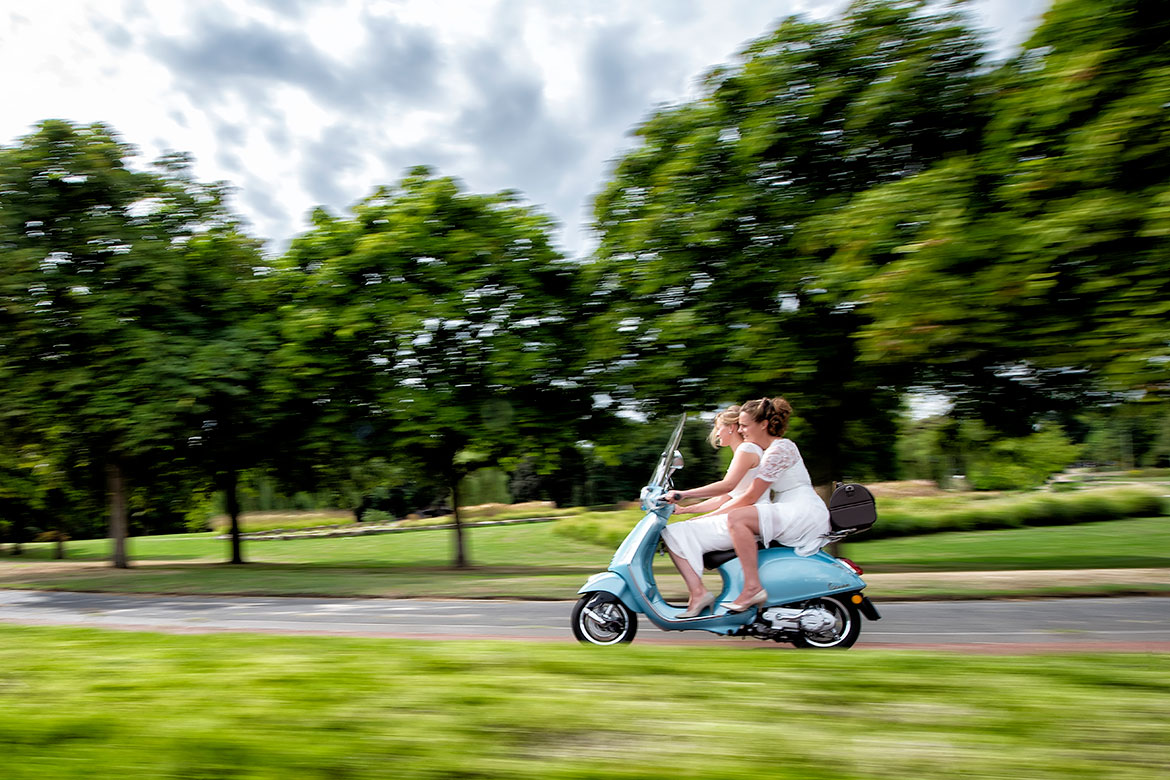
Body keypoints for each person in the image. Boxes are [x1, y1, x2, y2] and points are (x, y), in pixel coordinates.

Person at [716, 397, 830, 612]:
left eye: (744, 425)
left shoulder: (779, 450)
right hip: (789, 505)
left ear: (763, 425)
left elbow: (750, 497)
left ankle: (752, 587)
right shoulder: (768, 451)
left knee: (736, 519)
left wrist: (712, 515)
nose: (741, 430)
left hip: (801, 510)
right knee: (739, 518)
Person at [659, 405, 765, 618]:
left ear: (732, 427)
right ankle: (697, 592)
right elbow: (725, 497)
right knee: (681, 529)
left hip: (745, 519)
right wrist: (686, 511)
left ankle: (698, 593)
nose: (716, 433)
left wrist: (683, 493)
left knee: (672, 533)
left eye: (719, 428)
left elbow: (726, 487)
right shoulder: (744, 452)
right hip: (745, 514)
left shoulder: (746, 450)